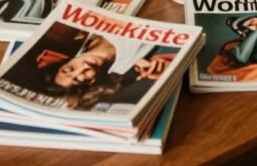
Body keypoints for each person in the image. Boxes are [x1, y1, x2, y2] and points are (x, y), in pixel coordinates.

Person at [35, 31, 176, 108]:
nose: (84, 67)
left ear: (65, 62)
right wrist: (163, 68)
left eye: (69, 69)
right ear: (91, 82)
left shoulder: (79, 35)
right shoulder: (127, 66)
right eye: (79, 79)